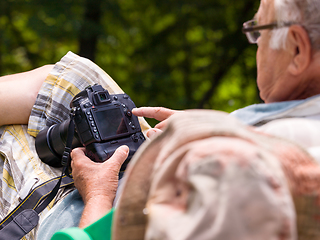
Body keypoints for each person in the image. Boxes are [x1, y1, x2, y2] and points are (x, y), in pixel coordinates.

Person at [1, 0, 320, 239]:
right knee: (77, 79)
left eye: (259, 30)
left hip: (86, 219)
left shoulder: (245, 174)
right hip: (130, 185)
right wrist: (203, 129)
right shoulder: (297, 127)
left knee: (11, 134)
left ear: (297, 49)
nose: (257, 44)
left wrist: (97, 194)